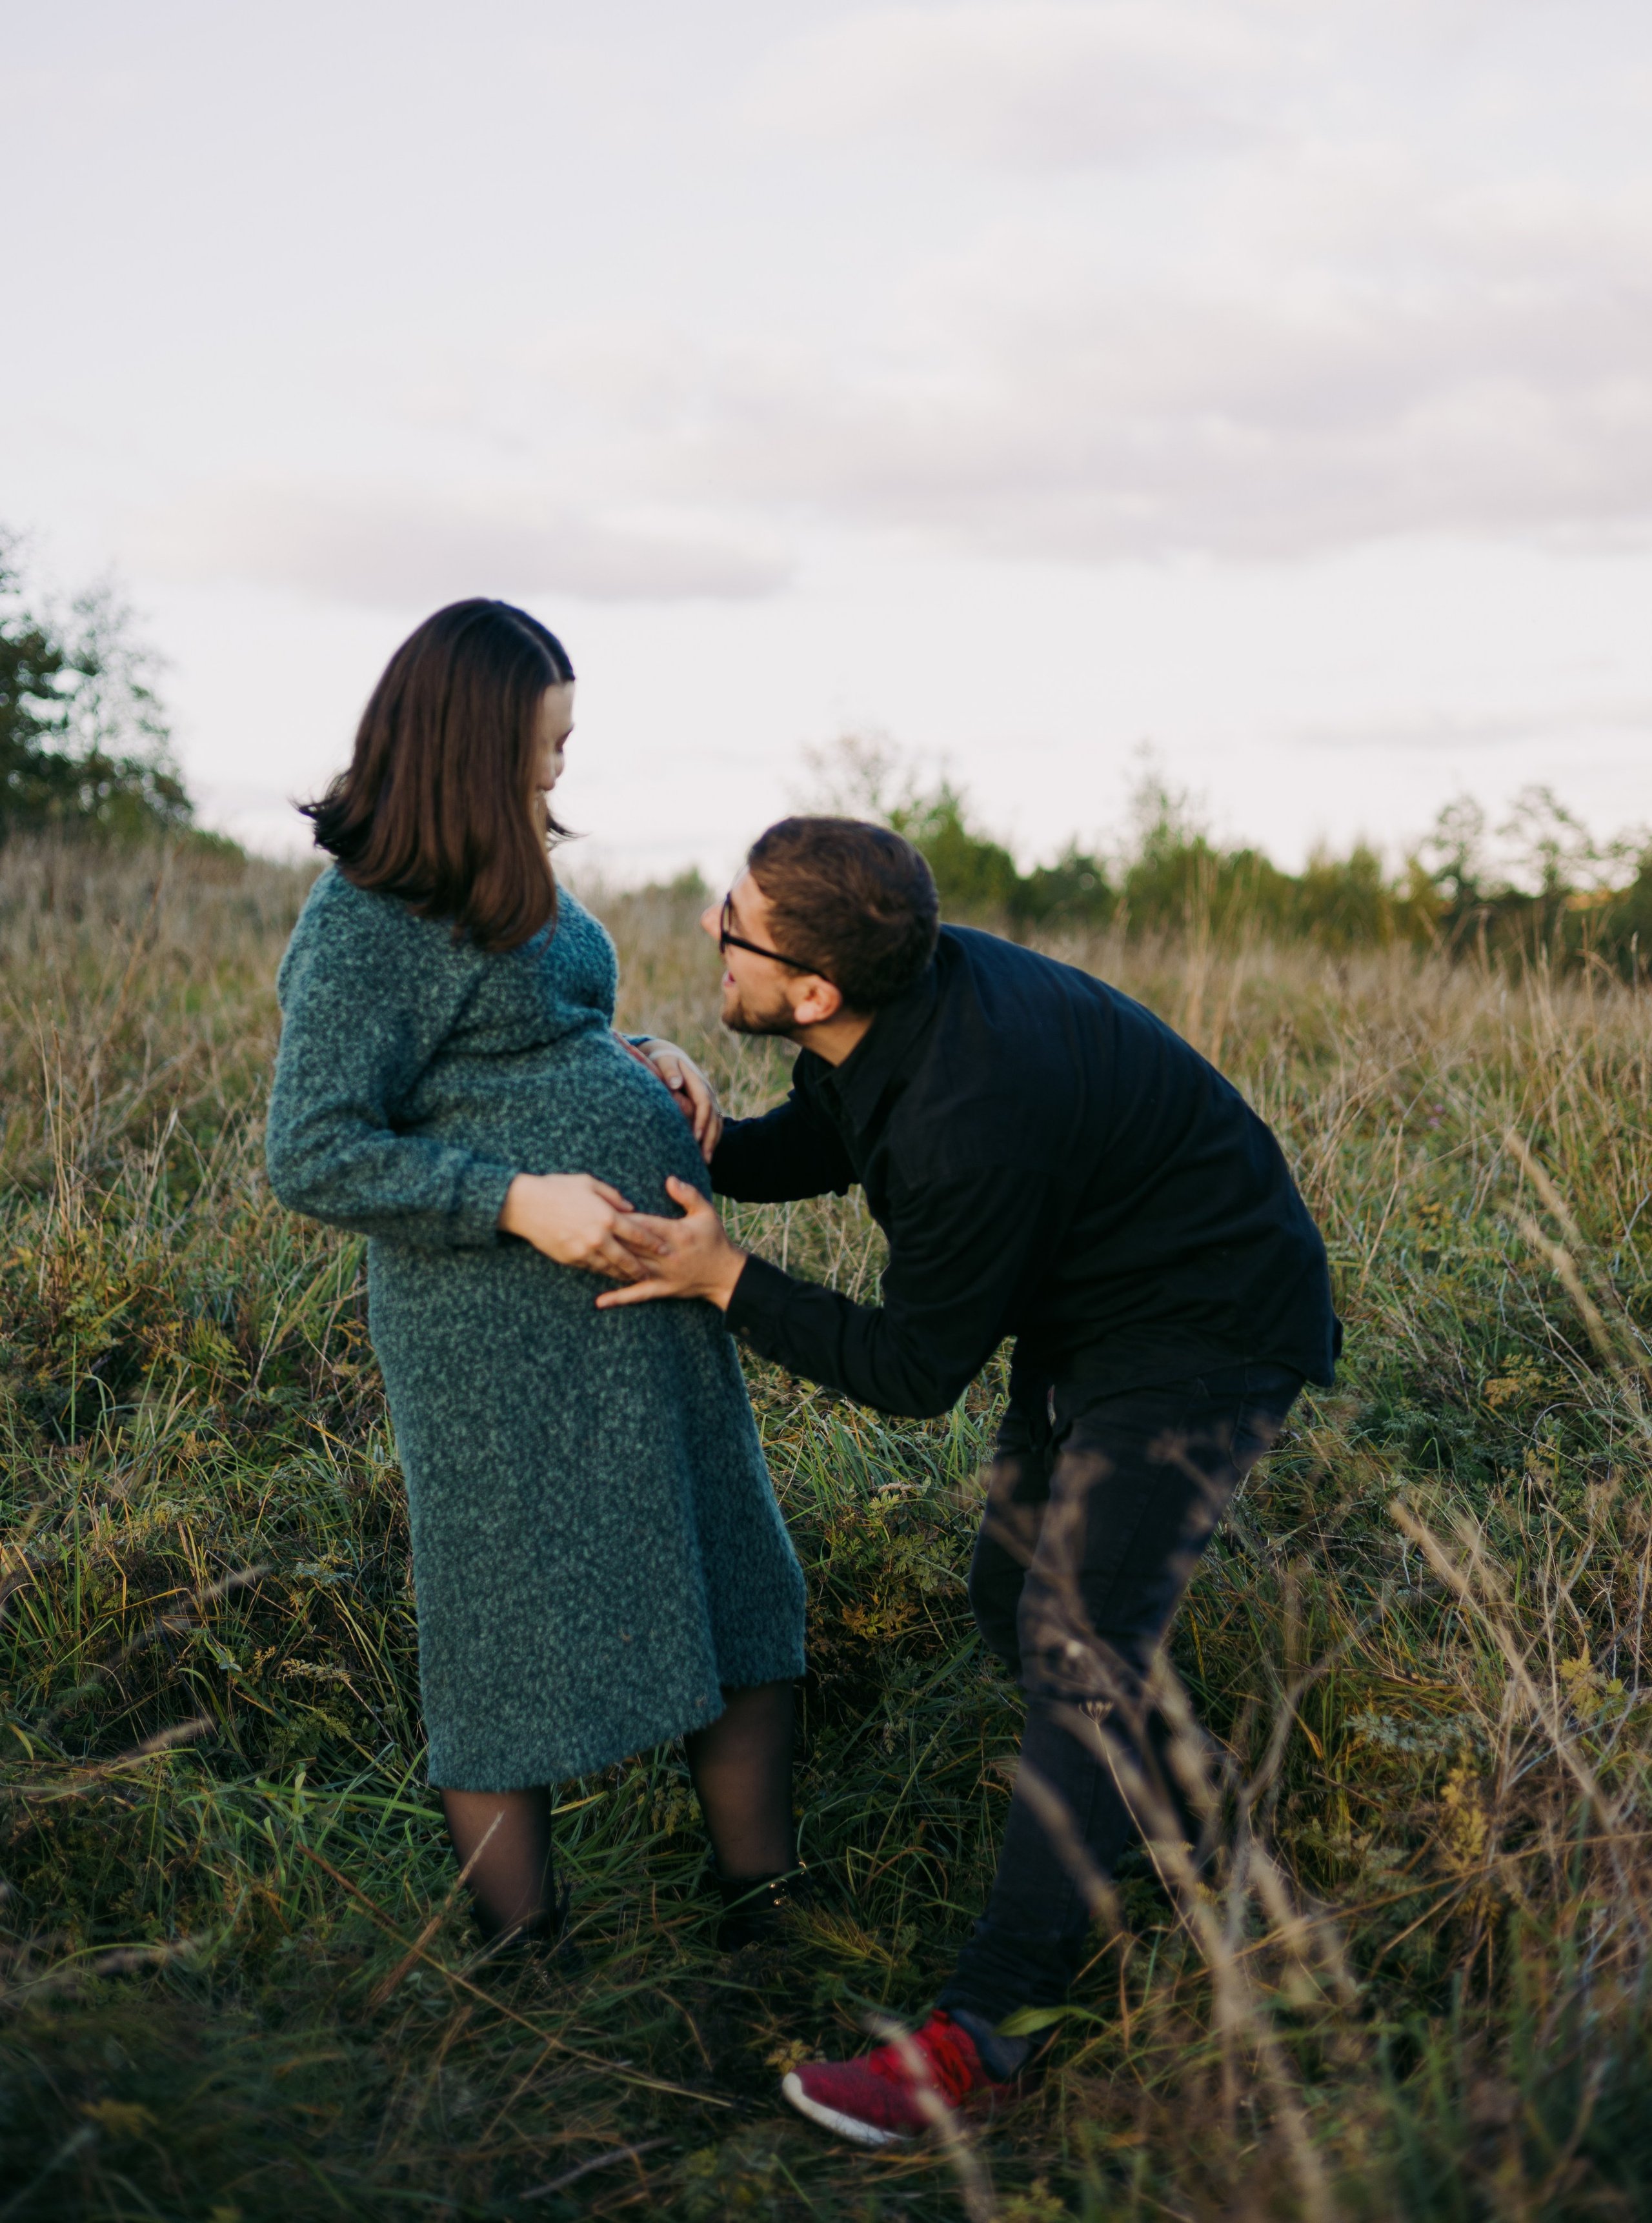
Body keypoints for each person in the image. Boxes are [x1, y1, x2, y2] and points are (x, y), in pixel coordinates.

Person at [596, 814, 1340, 2144]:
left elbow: (912, 1369)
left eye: (734, 919)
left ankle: (986, 2037)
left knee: (1076, 1647)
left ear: (813, 990)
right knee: (1013, 1599)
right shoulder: (900, 1001)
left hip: (1206, 1331)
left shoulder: (969, 1117)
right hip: (1095, 1312)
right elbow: (836, 1129)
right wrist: (705, 1142)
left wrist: (726, 1279)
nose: (711, 925)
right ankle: (1205, 1834)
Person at [264, 601, 806, 1957]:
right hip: (493, 1334)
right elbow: (313, 1147)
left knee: (736, 1584)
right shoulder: (365, 917)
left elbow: (525, 1038)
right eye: (544, 740)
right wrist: (517, 1200)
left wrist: (644, 1054)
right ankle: (528, 1968)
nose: (561, 762)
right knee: (506, 1642)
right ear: (470, 741)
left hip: (640, 1308)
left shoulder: (510, 872)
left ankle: (766, 1922)